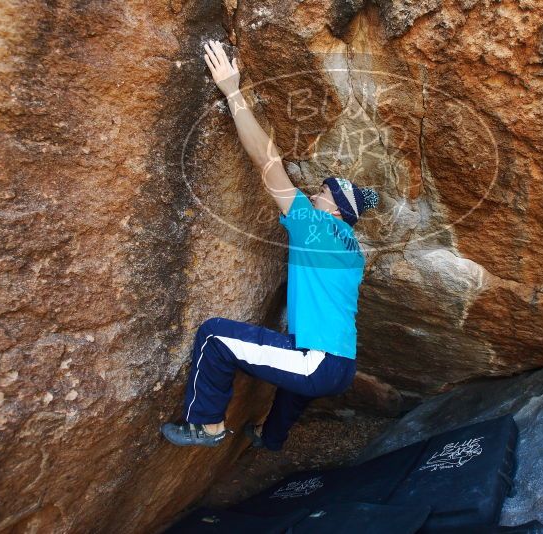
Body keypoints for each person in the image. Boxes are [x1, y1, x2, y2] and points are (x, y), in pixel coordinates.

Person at [160, 39, 380, 451]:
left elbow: (268, 162)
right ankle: (269, 437)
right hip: (342, 364)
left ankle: (206, 425)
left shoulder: (314, 226)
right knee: (297, 384)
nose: (315, 192)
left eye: (324, 192)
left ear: (335, 211)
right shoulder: (354, 252)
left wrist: (232, 89)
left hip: (319, 362)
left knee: (214, 337)